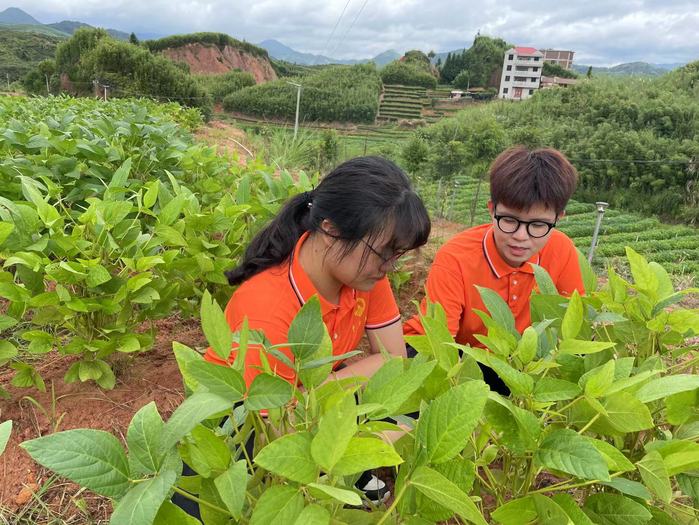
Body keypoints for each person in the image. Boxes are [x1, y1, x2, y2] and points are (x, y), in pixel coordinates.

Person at [196, 156, 430, 506]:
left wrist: (323, 393)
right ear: (331, 229)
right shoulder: (266, 307)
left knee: (413, 393)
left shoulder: (365, 274)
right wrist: (370, 436)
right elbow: (276, 433)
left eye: (396, 254)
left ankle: (349, 469)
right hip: (242, 425)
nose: (389, 267)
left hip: (305, 400)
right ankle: (343, 472)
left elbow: (396, 359)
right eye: (383, 252)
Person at [404, 146, 584, 393]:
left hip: (525, 366)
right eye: (509, 220)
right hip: (466, 361)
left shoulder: (562, 250)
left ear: (558, 218)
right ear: (492, 210)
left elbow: (574, 327)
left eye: (538, 225)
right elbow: (438, 343)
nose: (521, 237)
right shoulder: (456, 257)